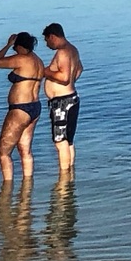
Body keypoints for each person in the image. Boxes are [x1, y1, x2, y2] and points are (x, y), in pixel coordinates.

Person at [0, 31, 46, 183]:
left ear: (19, 46)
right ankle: (27, 190)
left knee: (3, 152)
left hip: (20, 109)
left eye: (15, 47)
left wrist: (7, 44)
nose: (14, 49)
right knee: (25, 150)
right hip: (35, 107)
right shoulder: (38, 61)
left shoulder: (21, 59)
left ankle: (6, 191)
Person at [41, 22, 84, 178]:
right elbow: (79, 69)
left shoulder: (63, 52)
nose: (47, 44)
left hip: (62, 102)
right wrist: (71, 82)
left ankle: (64, 178)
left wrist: (45, 72)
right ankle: (70, 174)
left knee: (60, 141)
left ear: (52, 36)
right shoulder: (73, 50)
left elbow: (64, 78)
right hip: (71, 98)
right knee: (68, 141)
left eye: (47, 40)